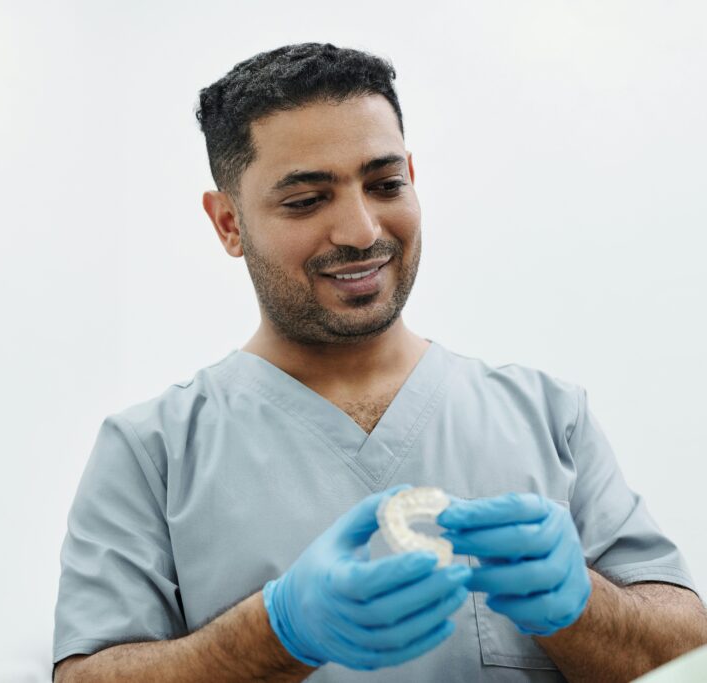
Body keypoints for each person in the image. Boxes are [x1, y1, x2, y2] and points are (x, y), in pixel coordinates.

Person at [52, 43, 707, 681]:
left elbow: (688, 650)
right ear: (229, 223)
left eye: (384, 183)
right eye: (307, 200)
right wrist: (276, 632)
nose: (362, 230)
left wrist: (585, 608)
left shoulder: (549, 416)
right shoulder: (151, 452)